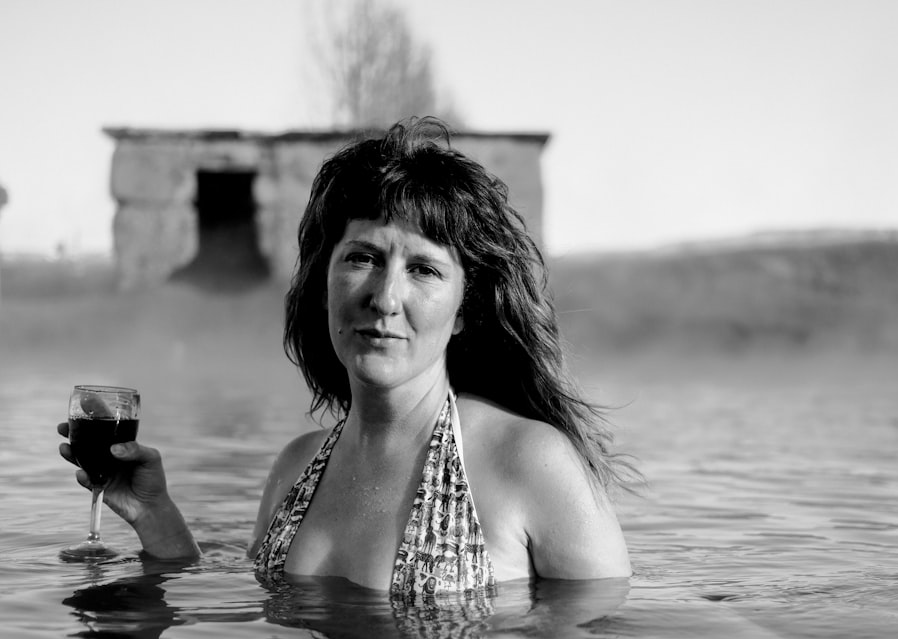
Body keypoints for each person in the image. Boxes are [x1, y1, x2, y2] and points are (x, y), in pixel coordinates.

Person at [59, 117, 634, 599]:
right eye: (362, 257)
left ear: (465, 310)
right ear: (323, 281)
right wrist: (154, 514)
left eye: (424, 269)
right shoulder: (293, 469)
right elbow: (238, 617)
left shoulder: (532, 464)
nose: (384, 299)